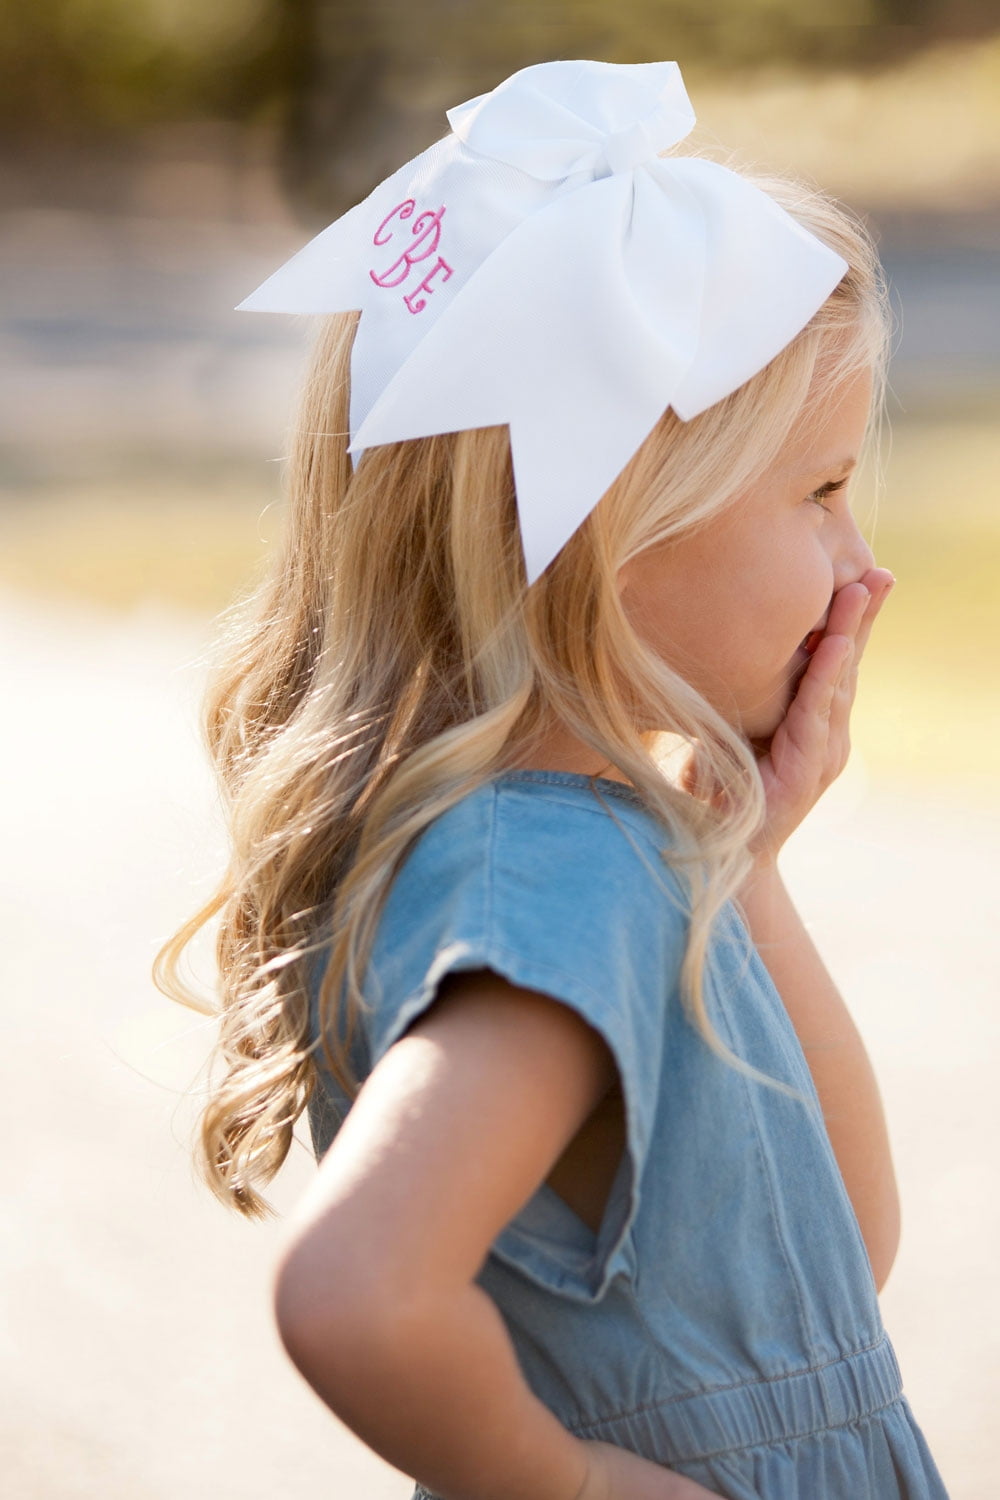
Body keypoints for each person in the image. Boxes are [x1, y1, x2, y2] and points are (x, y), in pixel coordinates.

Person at [156, 60, 950, 1500]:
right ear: (611, 541)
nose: (863, 564)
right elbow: (356, 1292)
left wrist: (745, 862)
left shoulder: (604, 855)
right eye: (823, 493)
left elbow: (835, 1254)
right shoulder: (560, 878)